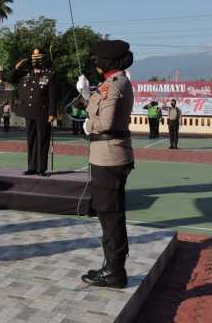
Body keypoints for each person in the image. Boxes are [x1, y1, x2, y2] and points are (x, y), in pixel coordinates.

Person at [76, 39, 135, 289]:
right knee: (109, 213)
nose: (95, 62)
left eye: (98, 59)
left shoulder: (113, 85)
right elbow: (97, 108)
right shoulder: (114, 83)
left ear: (107, 61)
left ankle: (114, 271)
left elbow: (105, 122)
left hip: (108, 157)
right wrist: (86, 93)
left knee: (110, 215)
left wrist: (89, 126)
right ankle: (112, 266)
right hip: (110, 156)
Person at [11, 49, 57, 176]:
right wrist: (17, 67)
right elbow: (11, 79)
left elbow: (53, 95)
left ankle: (41, 168)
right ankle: (32, 167)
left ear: (43, 58)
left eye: (38, 56)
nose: (35, 59)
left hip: (43, 112)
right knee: (31, 139)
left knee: (42, 139)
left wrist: (52, 113)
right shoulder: (25, 73)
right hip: (29, 111)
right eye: (33, 56)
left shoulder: (49, 74)